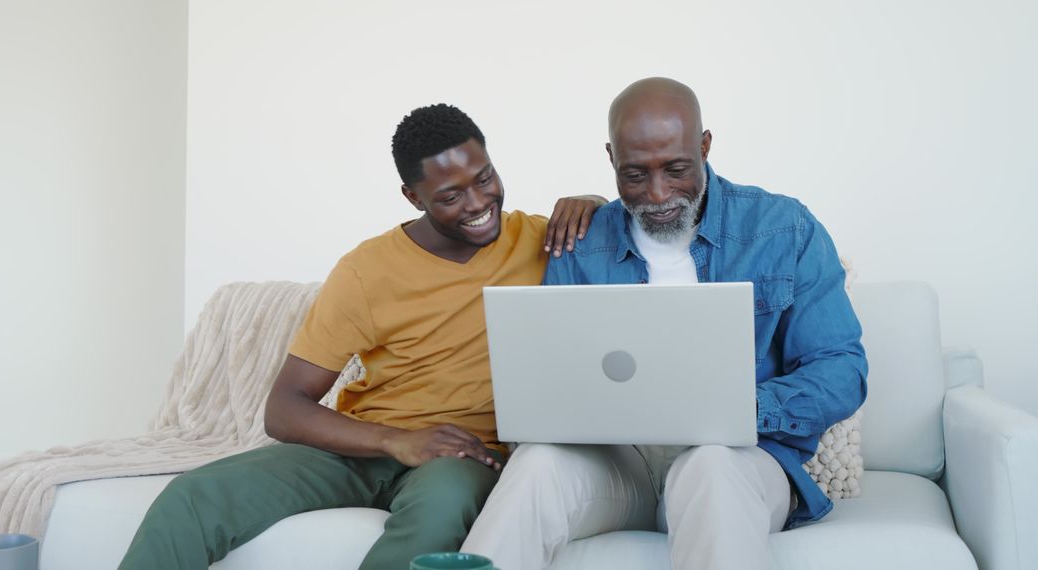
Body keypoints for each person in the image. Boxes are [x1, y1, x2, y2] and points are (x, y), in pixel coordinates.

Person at [118, 103, 605, 570]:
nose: (478, 203)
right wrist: (397, 441)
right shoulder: (366, 270)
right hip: (364, 447)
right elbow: (284, 408)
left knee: (439, 510)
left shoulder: (544, 242)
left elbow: (619, 235)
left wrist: (595, 203)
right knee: (191, 497)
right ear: (413, 197)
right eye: (450, 196)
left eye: (484, 178)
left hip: (462, 455)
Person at [461, 78, 869, 570]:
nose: (657, 194)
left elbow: (841, 370)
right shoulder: (581, 243)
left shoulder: (783, 228)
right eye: (634, 175)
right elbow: (552, 375)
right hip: (620, 468)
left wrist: (735, 408)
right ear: (611, 159)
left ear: (705, 146)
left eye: (676, 169)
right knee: (536, 465)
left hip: (738, 459)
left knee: (710, 467)